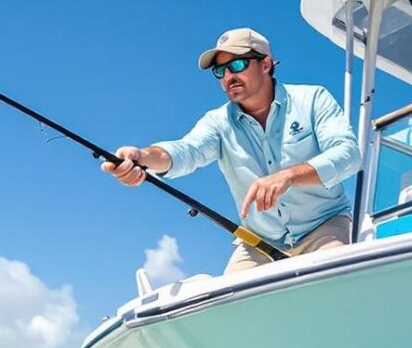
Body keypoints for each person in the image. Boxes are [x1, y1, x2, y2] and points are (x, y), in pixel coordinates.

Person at [102, 28, 361, 274]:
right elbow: (186, 150)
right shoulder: (217, 122)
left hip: (324, 228)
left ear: (266, 64)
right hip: (258, 242)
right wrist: (142, 158)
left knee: (332, 276)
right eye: (220, 71)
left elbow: (348, 154)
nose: (228, 77)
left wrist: (289, 175)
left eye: (237, 65)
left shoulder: (313, 98)